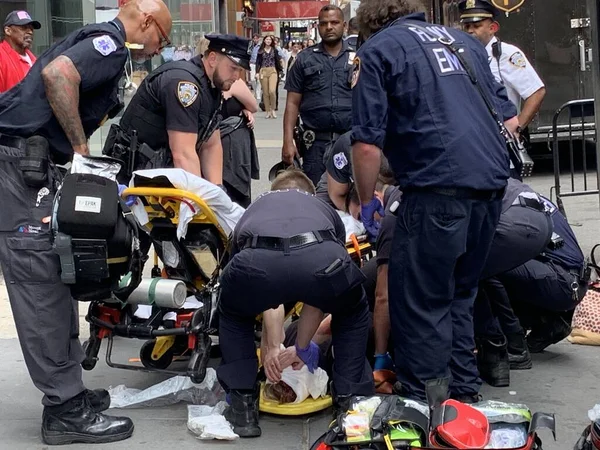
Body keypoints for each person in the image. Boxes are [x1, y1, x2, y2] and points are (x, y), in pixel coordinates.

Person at [0, 0, 172, 445]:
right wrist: (81, 152)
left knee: (55, 275)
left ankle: (68, 391)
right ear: (147, 22)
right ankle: (63, 409)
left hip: (27, 165)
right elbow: (57, 76)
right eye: (162, 39)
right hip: (20, 168)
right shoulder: (111, 44)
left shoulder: (101, 42)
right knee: (40, 281)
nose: (159, 49)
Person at [352, 0, 519, 403]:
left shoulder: (379, 50)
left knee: (422, 304)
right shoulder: (466, 43)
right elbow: (510, 120)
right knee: (460, 296)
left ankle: (428, 408)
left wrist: (366, 200)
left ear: (369, 24)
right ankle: (463, 398)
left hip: (436, 192)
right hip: (490, 190)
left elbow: (366, 143)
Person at [218, 169, 374, 437]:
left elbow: (266, 295)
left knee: (233, 312)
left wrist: (271, 346)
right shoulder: (320, 208)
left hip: (257, 259)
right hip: (321, 256)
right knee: (353, 311)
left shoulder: (257, 207)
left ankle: (243, 406)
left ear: (272, 191)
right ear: (309, 194)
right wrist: (301, 346)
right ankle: (350, 402)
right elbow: (320, 296)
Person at [111, 34, 251, 185]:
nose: (237, 76)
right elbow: (183, 154)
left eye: (240, 70)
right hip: (137, 178)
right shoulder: (184, 84)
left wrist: (217, 191)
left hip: (161, 173)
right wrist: (202, 200)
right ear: (212, 59)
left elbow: (211, 145)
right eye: (233, 68)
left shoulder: (211, 86)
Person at [472, 179, 553, 387]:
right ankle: (514, 346)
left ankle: (497, 351)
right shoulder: (490, 165)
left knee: (465, 280)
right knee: (484, 275)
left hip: (514, 225)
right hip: (542, 223)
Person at [491, 194, 587, 354]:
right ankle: (547, 323)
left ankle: (511, 338)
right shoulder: (526, 195)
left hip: (561, 281)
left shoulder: (504, 204)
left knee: (487, 269)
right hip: (572, 280)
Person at [283, 5, 354, 186]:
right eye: (324, 23)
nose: (329, 27)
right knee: (315, 196)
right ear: (318, 27)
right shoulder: (304, 59)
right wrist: (287, 141)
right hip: (314, 145)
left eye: (334, 22)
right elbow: (292, 103)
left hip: (350, 141)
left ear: (344, 26)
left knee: (352, 197)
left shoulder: (359, 56)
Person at [459, 0, 546, 130]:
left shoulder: (507, 54)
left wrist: (516, 130)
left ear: (492, 28)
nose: (470, 31)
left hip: (500, 136)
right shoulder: (460, 55)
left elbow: (536, 92)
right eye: (467, 27)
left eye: (476, 26)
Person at [220, 78, 260, 207]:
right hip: (209, 145)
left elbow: (253, 106)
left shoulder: (233, 82)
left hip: (232, 148)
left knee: (235, 194)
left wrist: (241, 108)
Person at [0, 10, 41, 93]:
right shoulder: (1, 56)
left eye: (31, 29)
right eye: (23, 28)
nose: (30, 32)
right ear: (8, 31)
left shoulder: (33, 59)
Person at [255, 35, 283, 119]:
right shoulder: (260, 51)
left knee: (272, 91)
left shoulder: (275, 50)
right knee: (266, 92)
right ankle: (267, 111)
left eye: (270, 40)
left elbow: (278, 61)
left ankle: (273, 109)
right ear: (264, 41)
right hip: (263, 71)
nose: (268, 41)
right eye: (266, 39)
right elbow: (258, 62)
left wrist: (280, 71)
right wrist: (257, 72)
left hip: (273, 71)